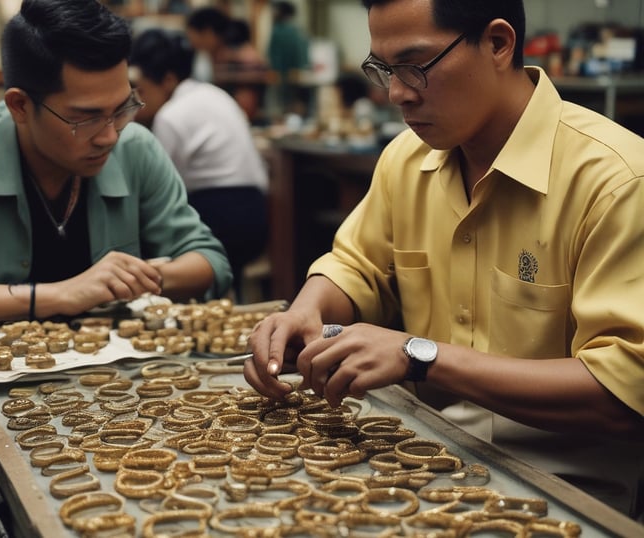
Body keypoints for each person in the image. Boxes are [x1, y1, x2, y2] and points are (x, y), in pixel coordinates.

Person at [245, 0, 644, 519]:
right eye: (383, 69)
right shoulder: (405, 160)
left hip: (563, 493)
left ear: (498, 44)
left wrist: (419, 355)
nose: (396, 93)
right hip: (418, 456)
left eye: (416, 65)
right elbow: (359, 265)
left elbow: (622, 390)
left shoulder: (615, 183)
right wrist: (306, 309)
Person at [0, 0, 231, 332]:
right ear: (20, 106)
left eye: (122, 109)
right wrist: (56, 295)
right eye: (86, 118)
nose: (110, 136)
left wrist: (139, 278)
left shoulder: (136, 149)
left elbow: (210, 261)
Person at [129, 28, 268, 302]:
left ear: (168, 80)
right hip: (256, 210)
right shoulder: (214, 93)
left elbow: (162, 183)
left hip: (220, 212)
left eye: (140, 89)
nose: (137, 100)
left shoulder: (170, 115)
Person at [186, 7, 270, 123]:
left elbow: (246, 105)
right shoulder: (208, 56)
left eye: (191, 35)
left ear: (208, 33)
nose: (190, 42)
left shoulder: (237, 56)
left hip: (242, 122)